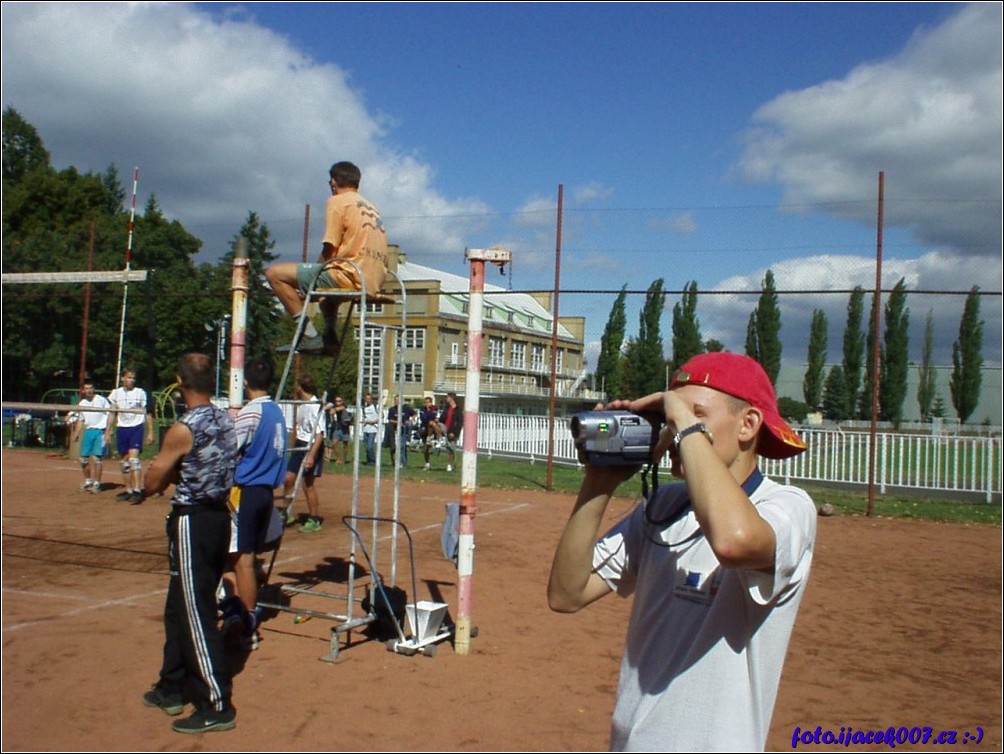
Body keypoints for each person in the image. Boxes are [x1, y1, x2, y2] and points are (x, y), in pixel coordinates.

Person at [547, 352, 816, 751]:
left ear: (748, 425)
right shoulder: (665, 506)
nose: (673, 431)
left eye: (696, 414)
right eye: (672, 419)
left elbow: (731, 541)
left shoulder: (787, 507)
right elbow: (567, 593)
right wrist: (599, 483)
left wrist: (681, 419)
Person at [141, 353, 237, 734]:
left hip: (193, 520)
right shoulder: (223, 419)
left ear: (179, 383)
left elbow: (152, 482)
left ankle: (217, 703)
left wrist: (160, 474)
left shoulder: (184, 427)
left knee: (195, 612)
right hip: (218, 517)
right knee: (177, 606)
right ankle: (173, 684)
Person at [265, 161, 388, 354]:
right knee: (326, 297)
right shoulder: (371, 207)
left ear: (333, 182)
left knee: (274, 273)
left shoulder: (337, 202)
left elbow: (330, 246)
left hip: (349, 273)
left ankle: (308, 335)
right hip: (373, 279)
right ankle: (329, 338)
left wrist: (313, 279)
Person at [221, 358, 287, 650]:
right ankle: (236, 610)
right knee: (238, 558)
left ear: (245, 382)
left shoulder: (252, 413)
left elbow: (229, 449)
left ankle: (247, 625)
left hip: (245, 491)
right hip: (264, 491)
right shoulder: (277, 411)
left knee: (242, 560)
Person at [281, 374, 326, 533]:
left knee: (307, 484)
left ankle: (314, 519)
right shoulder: (302, 404)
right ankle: (286, 513)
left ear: (300, 387)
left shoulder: (315, 405)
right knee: (288, 479)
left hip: (312, 445)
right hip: (300, 444)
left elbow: (320, 434)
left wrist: (311, 455)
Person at [106, 367, 155, 504]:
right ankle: (128, 490)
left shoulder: (140, 393)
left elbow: (148, 413)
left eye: (133, 378)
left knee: (134, 460)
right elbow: (112, 413)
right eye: (128, 377)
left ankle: (137, 490)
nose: (131, 380)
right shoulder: (115, 393)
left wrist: (150, 432)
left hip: (136, 428)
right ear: (122, 378)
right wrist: (108, 431)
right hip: (122, 428)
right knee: (125, 462)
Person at [72, 381, 111, 494]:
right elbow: (81, 419)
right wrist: (76, 433)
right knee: (83, 459)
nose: (89, 390)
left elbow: (110, 415)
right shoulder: (82, 403)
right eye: (86, 388)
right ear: (83, 391)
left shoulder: (101, 400)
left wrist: (108, 431)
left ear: (94, 389)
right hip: (88, 431)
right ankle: (88, 481)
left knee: (97, 459)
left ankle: (97, 483)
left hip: (100, 431)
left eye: (91, 388)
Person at [385, 395, 416, 468]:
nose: (397, 402)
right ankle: (402, 462)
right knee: (400, 446)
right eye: (396, 400)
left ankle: (402, 462)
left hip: (404, 429)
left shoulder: (406, 408)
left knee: (402, 446)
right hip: (395, 430)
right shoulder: (392, 409)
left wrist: (412, 419)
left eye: (398, 400)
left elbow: (414, 413)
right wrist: (398, 422)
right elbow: (390, 420)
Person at [325, 395, 352, 464]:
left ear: (342, 401)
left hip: (345, 428)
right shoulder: (334, 407)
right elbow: (331, 412)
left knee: (345, 444)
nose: (338, 402)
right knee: (334, 444)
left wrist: (334, 409)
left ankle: (344, 459)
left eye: (339, 401)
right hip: (338, 428)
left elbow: (339, 409)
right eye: (336, 401)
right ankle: (338, 458)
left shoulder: (344, 407)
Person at [419, 395, 443, 470]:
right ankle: (427, 463)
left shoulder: (434, 408)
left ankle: (438, 439)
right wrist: (429, 414)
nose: (427, 404)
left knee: (432, 423)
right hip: (424, 428)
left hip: (431, 429)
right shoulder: (422, 409)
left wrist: (429, 414)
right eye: (425, 403)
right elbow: (423, 418)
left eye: (428, 402)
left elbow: (433, 416)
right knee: (425, 448)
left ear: (431, 403)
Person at [361, 391, 380, 465]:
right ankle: (368, 460)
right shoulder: (364, 408)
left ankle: (373, 461)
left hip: (373, 429)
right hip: (366, 429)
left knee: (370, 446)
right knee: (366, 447)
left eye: (369, 399)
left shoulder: (376, 407)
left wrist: (375, 421)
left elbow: (381, 416)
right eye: (366, 399)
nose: (367, 400)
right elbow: (364, 417)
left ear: (372, 399)